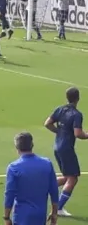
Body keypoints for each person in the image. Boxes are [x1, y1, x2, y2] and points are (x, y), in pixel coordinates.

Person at [44, 87, 88, 217]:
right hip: (67, 148)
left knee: (67, 176)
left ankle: (43, 187)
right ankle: (59, 208)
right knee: (73, 179)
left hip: (57, 146)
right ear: (78, 98)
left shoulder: (60, 109)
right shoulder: (76, 114)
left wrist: (59, 132)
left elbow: (47, 123)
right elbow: (78, 133)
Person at [4, 132, 58, 225]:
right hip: (40, 216)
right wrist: (54, 213)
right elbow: (54, 190)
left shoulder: (13, 167)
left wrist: (6, 217)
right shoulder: (47, 163)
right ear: (32, 145)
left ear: (17, 147)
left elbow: (9, 194)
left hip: (21, 217)